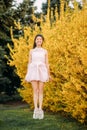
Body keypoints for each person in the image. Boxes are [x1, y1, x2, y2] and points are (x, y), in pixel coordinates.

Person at [25, 34, 51, 119]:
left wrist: (49, 74)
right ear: (35, 41)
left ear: (42, 41)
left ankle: (40, 109)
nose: (39, 40)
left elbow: (47, 63)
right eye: (37, 39)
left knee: (40, 90)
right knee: (35, 90)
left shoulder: (45, 51)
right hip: (33, 71)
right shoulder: (31, 51)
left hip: (42, 71)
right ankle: (35, 109)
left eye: (40, 39)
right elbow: (29, 63)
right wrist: (27, 74)